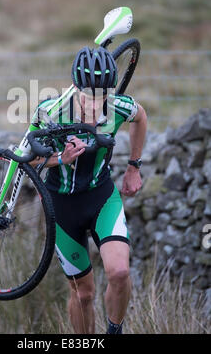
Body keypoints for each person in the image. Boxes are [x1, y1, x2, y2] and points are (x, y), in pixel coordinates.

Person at [30, 46, 147, 334]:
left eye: (103, 97)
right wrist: (60, 159)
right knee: (83, 293)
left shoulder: (120, 106)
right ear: (75, 88)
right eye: (88, 98)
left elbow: (141, 117)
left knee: (119, 273)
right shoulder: (50, 111)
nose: (96, 106)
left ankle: (114, 330)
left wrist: (134, 166)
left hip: (101, 197)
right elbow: (28, 159)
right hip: (62, 207)